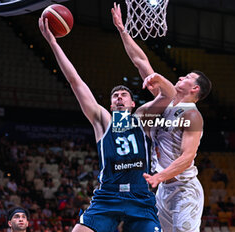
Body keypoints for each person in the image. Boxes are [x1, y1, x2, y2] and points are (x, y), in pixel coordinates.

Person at [39, 16, 176, 232]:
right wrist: (53, 43)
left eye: (124, 95)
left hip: (140, 197)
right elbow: (76, 82)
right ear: (111, 105)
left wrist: (158, 79)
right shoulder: (103, 121)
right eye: (115, 96)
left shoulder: (142, 118)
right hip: (108, 196)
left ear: (132, 102)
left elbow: (169, 95)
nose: (119, 97)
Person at [112, 3, 212, 231]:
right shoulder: (165, 100)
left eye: (187, 77)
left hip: (184, 188)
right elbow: (141, 61)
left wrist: (160, 176)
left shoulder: (193, 116)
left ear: (195, 89)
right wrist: (122, 30)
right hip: (164, 189)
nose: (181, 77)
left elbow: (188, 157)